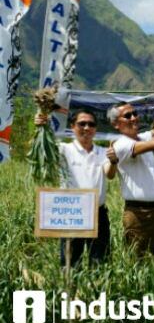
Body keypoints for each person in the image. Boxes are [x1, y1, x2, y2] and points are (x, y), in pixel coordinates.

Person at [35, 109, 118, 267]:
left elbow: (110, 174)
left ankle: (97, 291)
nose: (87, 128)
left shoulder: (102, 152)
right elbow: (42, 151)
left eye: (91, 124)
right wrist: (40, 128)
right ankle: (71, 292)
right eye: (82, 124)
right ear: (72, 127)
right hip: (71, 213)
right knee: (70, 263)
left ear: (95, 129)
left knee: (100, 261)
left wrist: (113, 161)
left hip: (97, 214)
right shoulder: (63, 150)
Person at [107, 102, 154, 260]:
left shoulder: (141, 137)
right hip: (140, 215)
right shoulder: (121, 145)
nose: (134, 118)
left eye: (135, 114)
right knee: (140, 262)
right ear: (115, 124)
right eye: (127, 116)